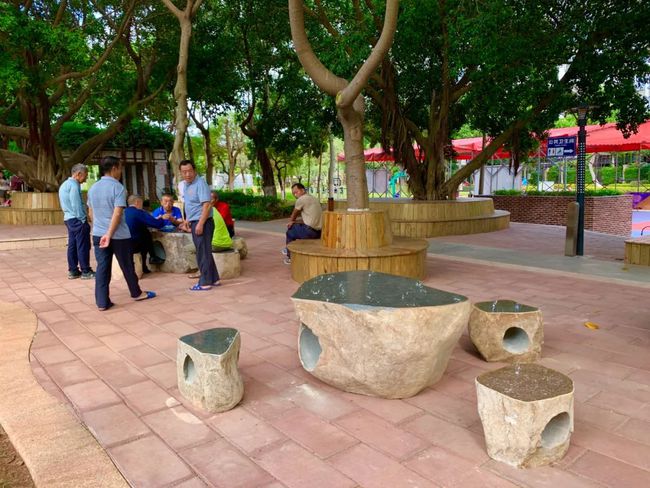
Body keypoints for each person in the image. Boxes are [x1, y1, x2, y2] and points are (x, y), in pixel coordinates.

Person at [87, 156, 155, 311]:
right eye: (120, 168)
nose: (121, 171)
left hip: (98, 234)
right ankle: (136, 293)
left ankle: (102, 302)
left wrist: (100, 229)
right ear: (114, 169)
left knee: (102, 267)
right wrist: (109, 234)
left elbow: (91, 212)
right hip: (118, 236)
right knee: (127, 266)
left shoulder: (93, 188)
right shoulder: (117, 187)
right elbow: (117, 213)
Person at [180, 160, 220, 290]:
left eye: (189, 171)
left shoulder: (200, 183)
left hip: (203, 222)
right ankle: (214, 279)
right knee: (204, 251)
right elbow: (190, 204)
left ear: (194, 170)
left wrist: (201, 223)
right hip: (195, 221)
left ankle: (205, 282)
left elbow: (206, 205)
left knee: (202, 253)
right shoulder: (186, 185)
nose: (187, 174)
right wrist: (187, 219)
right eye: (184, 172)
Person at [58, 164, 95, 280]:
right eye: (85, 176)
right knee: (83, 245)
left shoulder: (64, 185)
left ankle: (73, 270)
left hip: (69, 219)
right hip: (77, 219)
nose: (86, 179)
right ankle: (86, 271)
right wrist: (83, 219)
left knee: (73, 245)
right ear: (78, 174)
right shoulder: (74, 185)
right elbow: (76, 204)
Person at [124, 194, 166, 273]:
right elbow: (156, 224)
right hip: (134, 245)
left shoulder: (123, 211)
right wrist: (162, 218)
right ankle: (152, 257)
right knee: (146, 234)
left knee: (143, 232)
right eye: (141, 203)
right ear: (137, 202)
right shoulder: (139, 212)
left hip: (122, 244)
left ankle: (145, 265)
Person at [284, 182, 322, 264]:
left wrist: (291, 221)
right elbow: (309, 218)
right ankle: (289, 249)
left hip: (310, 232)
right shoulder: (313, 198)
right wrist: (295, 222)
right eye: (293, 193)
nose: (295, 195)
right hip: (319, 232)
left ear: (303, 190)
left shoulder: (301, 199)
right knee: (296, 226)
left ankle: (290, 256)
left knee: (290, 231)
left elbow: (294, 214)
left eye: (296, 192)